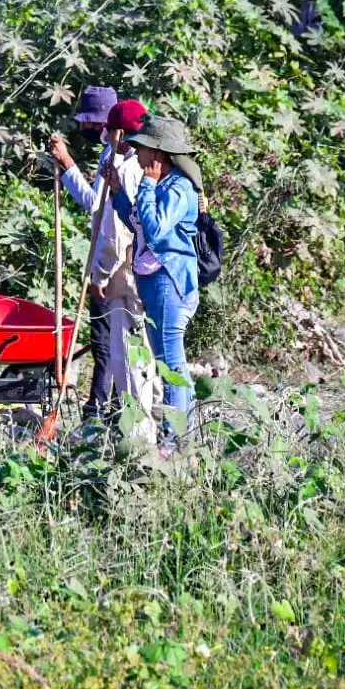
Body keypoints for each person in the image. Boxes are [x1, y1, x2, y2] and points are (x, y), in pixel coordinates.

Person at [51, 96, 158, 434]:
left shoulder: (127, 165)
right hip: (132, 272)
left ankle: (121, 425)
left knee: (122, 352)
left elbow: (107, 219)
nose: (88, 130)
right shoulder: (118, 155)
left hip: (122, 274)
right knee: (129, 351)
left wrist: (98, 273)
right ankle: (119, 420)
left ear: (114, 130)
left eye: (93, 125)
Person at [108, 116, 201, 444]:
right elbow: (138, 223)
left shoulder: (178, 187)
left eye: (143, 147)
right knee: (167, 363)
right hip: (152, 280)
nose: (138, 152)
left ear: (158, 154)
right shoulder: (163, 184)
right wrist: (119, 193)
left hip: (169, 281)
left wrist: (145, 185)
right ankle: (180, 438)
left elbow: (158, 229)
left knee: (171, 365)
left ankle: (172, 442)